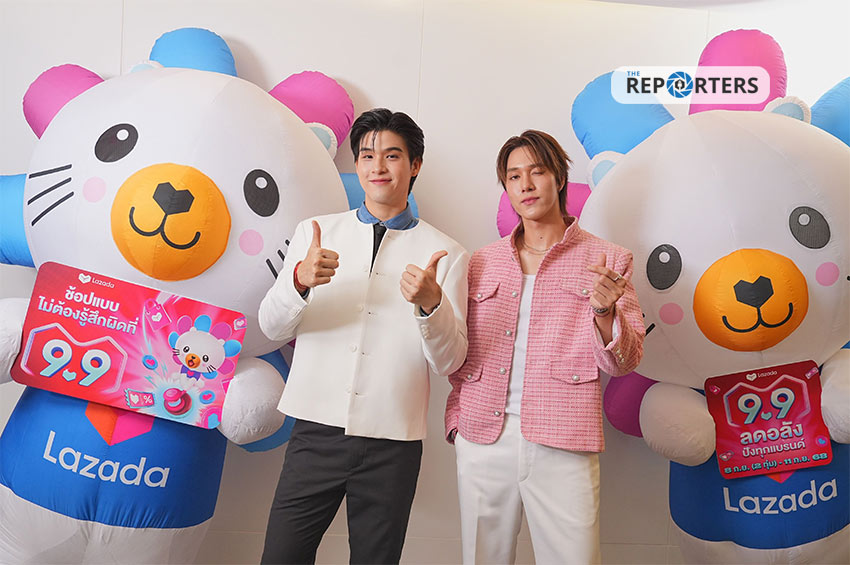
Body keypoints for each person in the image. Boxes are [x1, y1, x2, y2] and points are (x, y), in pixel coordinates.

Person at [258, 108, 469, 565]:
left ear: (414, 165)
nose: (378, 166)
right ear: (356, 164)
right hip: (315, 430)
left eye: (392, 155)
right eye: (368, 155)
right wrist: (298, 281)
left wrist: (432, 305)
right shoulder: (316, 233)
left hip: (392, 440)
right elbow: (271, 327)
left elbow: (450, 361)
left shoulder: (447, 253)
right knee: (281, 556)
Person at [444, 130, 645, 564]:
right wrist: (458, 423)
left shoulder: (609, 260)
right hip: (482, 436)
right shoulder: (480, 262)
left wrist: (604, 312)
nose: (526, 185)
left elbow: (626, 362)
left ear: (559, 177)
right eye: (514, 176)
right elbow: (458, 351)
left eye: (536, 172)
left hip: (564, 438)